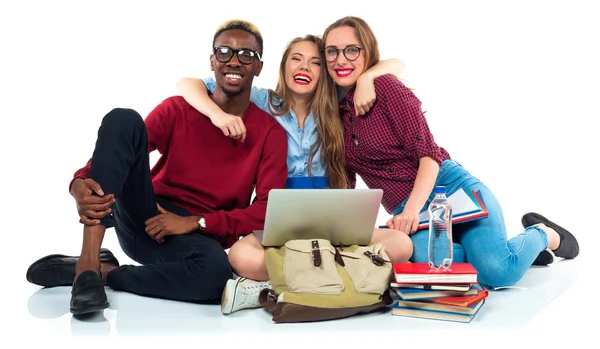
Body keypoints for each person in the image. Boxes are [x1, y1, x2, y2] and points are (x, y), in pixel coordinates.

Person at [25, 20, 289, 315]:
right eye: (225, 51)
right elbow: (124, 147)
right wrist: (79, 182)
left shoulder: (270, 133)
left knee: (216, 277)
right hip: (145, 215)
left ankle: (106, 272)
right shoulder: (178, 109)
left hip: (196, 238)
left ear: (259, 67)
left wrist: (198, 222)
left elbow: (267, 209)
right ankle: (86, 268)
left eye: (246, 55)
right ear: (212, 60)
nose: (234, 61)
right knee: (124, 119)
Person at [321, 16, 580, 288]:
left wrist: (409, 212)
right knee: (428, 260)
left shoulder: (386, 88)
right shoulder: (330, 113)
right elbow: (346, 180)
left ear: (368, 52)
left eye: (352, 50)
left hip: (451, 190)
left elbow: (430, 156)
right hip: (409, 210)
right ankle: (506, 251)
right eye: (332, 51)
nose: (341, 60)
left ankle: (543, 235)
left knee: (497, 274)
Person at [177, 34, 414, 315]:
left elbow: (397, 64)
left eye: (315, 62)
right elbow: (187, 85)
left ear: (324, 73)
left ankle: (276, 285)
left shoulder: (336, 102)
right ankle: (346, 278)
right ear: (283, 66)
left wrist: (365, 79)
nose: (304, 68)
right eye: (296, 59)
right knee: (240, 256)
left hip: (332, 215)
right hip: (277, 214)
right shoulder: (262, 100)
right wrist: (217, 115)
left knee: (401, 245)